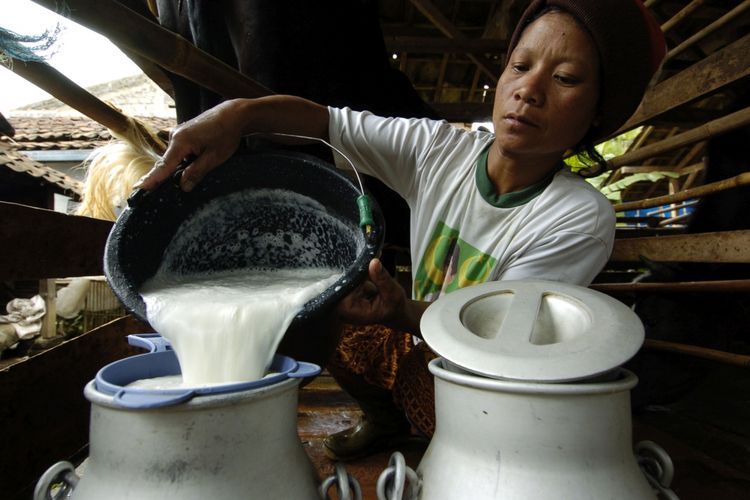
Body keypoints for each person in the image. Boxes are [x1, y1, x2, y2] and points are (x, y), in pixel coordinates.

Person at [135, 0, 666, 460]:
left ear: (598, 112)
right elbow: (325, 122)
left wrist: (402, 312)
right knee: (338, 320)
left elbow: (502, 346)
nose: (528, 90)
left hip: (495, 383)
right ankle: (387, 421)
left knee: (449, 405)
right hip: (422, 338)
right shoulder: (440, 150)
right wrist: (238, 116)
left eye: (566, 78)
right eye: (520, 65)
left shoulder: (577, 216)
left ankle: (464, 460)